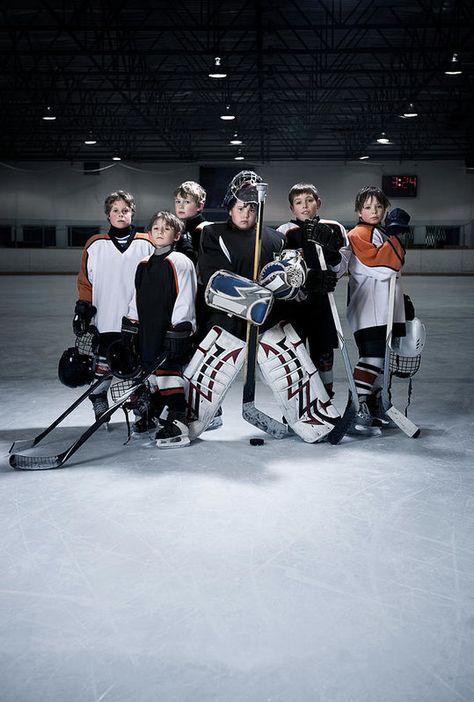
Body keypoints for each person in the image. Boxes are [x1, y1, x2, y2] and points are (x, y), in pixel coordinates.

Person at [197, 171, 285, 430]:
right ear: (230, 208)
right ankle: (206, 410)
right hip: (225, 316)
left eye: (251, 208)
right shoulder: (212, 233)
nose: (245, 213)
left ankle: (296, 412)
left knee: (283, 362)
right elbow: (212, 277)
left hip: (265, 319)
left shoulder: (274, 238)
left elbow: (280, 284)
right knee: (212, 365)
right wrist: (254, 296)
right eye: (240, 207)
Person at [74, 190, 155, 421]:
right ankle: (99, 398)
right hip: (106, 317)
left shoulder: (147, 242)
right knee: (103, 365)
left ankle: (136, 400)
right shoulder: (95, 244)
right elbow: (85, 281)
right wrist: (83, 306)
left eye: (125, 210)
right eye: (116, 211)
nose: (121, 215)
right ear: (108, 215)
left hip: (136, 320)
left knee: (133, 364)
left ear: (132, 213)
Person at [121, 210, 197, 448]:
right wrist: (131, 323)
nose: (160, 231)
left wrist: (180, 328)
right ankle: (154, 414)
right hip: (147, 330)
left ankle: (179, 419)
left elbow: (186, 296)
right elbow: (137, 296)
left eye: (166, 228)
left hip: (168, 329)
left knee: (167, 373)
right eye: (156, 227)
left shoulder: (180, 262)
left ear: (177, 235)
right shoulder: (143, 263)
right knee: (151, 373)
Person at [276, 183, 349, 398]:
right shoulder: (284, 231)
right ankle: (299, 402)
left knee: (324, 352)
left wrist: (334, 259)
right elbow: (283, 270)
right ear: (292, 208)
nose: (305, 206)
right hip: (294, 305)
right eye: (298, 203)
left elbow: (342, 265)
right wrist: (307, 278)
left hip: (322, 302)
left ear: (318, 203)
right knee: (296, 353)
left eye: (309, 200)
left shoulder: (334, 227)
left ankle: (325, 398)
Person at [346, 186, 408, 433]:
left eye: (379, 206)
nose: (374, 211)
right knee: (372, 357)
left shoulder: (378, 232)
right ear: (359, 211)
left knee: (380, 360)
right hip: (369, 308)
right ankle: (358, 404)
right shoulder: (359, 233)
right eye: (368, 207)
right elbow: (384, 267)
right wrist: (394, 236)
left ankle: (377, 405)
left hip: (383, 308)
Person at [173, 180, 209, 262]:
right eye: (178, 201)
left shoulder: (205, 230)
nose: (180, 206)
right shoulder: (177, 228)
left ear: (200, 206)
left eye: (187, 202)